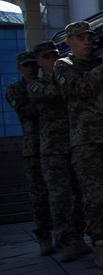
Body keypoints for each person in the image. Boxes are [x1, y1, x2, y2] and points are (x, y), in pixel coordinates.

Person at [54, 21, 103, 267]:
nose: (87, 41)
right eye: (80, 38)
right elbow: (75, 90)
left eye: (89, 37)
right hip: (86, 140)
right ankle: (98, 244)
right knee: (94, 194)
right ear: (68, 41)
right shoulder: (64, 65)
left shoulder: (101, 63)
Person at [28, 41, 88, 262]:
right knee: (60, 197)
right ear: (39, 61)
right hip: (53, 149)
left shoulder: (66, 75)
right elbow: (58, 93)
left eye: (55, 56)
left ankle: (80, 238)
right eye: (47, 57)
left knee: (80, 193)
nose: (52, 60)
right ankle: (65, 241)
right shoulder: (35, 85)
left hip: (74, 143)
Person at [6, 50, 52, 254]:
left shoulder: (47, 83)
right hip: (33, 148)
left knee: (60, 192)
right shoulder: (15, 89)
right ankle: (44, 236)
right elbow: (27, 112)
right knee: (38, 194)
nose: (31, 68)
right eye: (26, 65)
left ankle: (66, 233)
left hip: (53, 144)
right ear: (20, 68)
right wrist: (41, 96)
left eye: (33, 64)